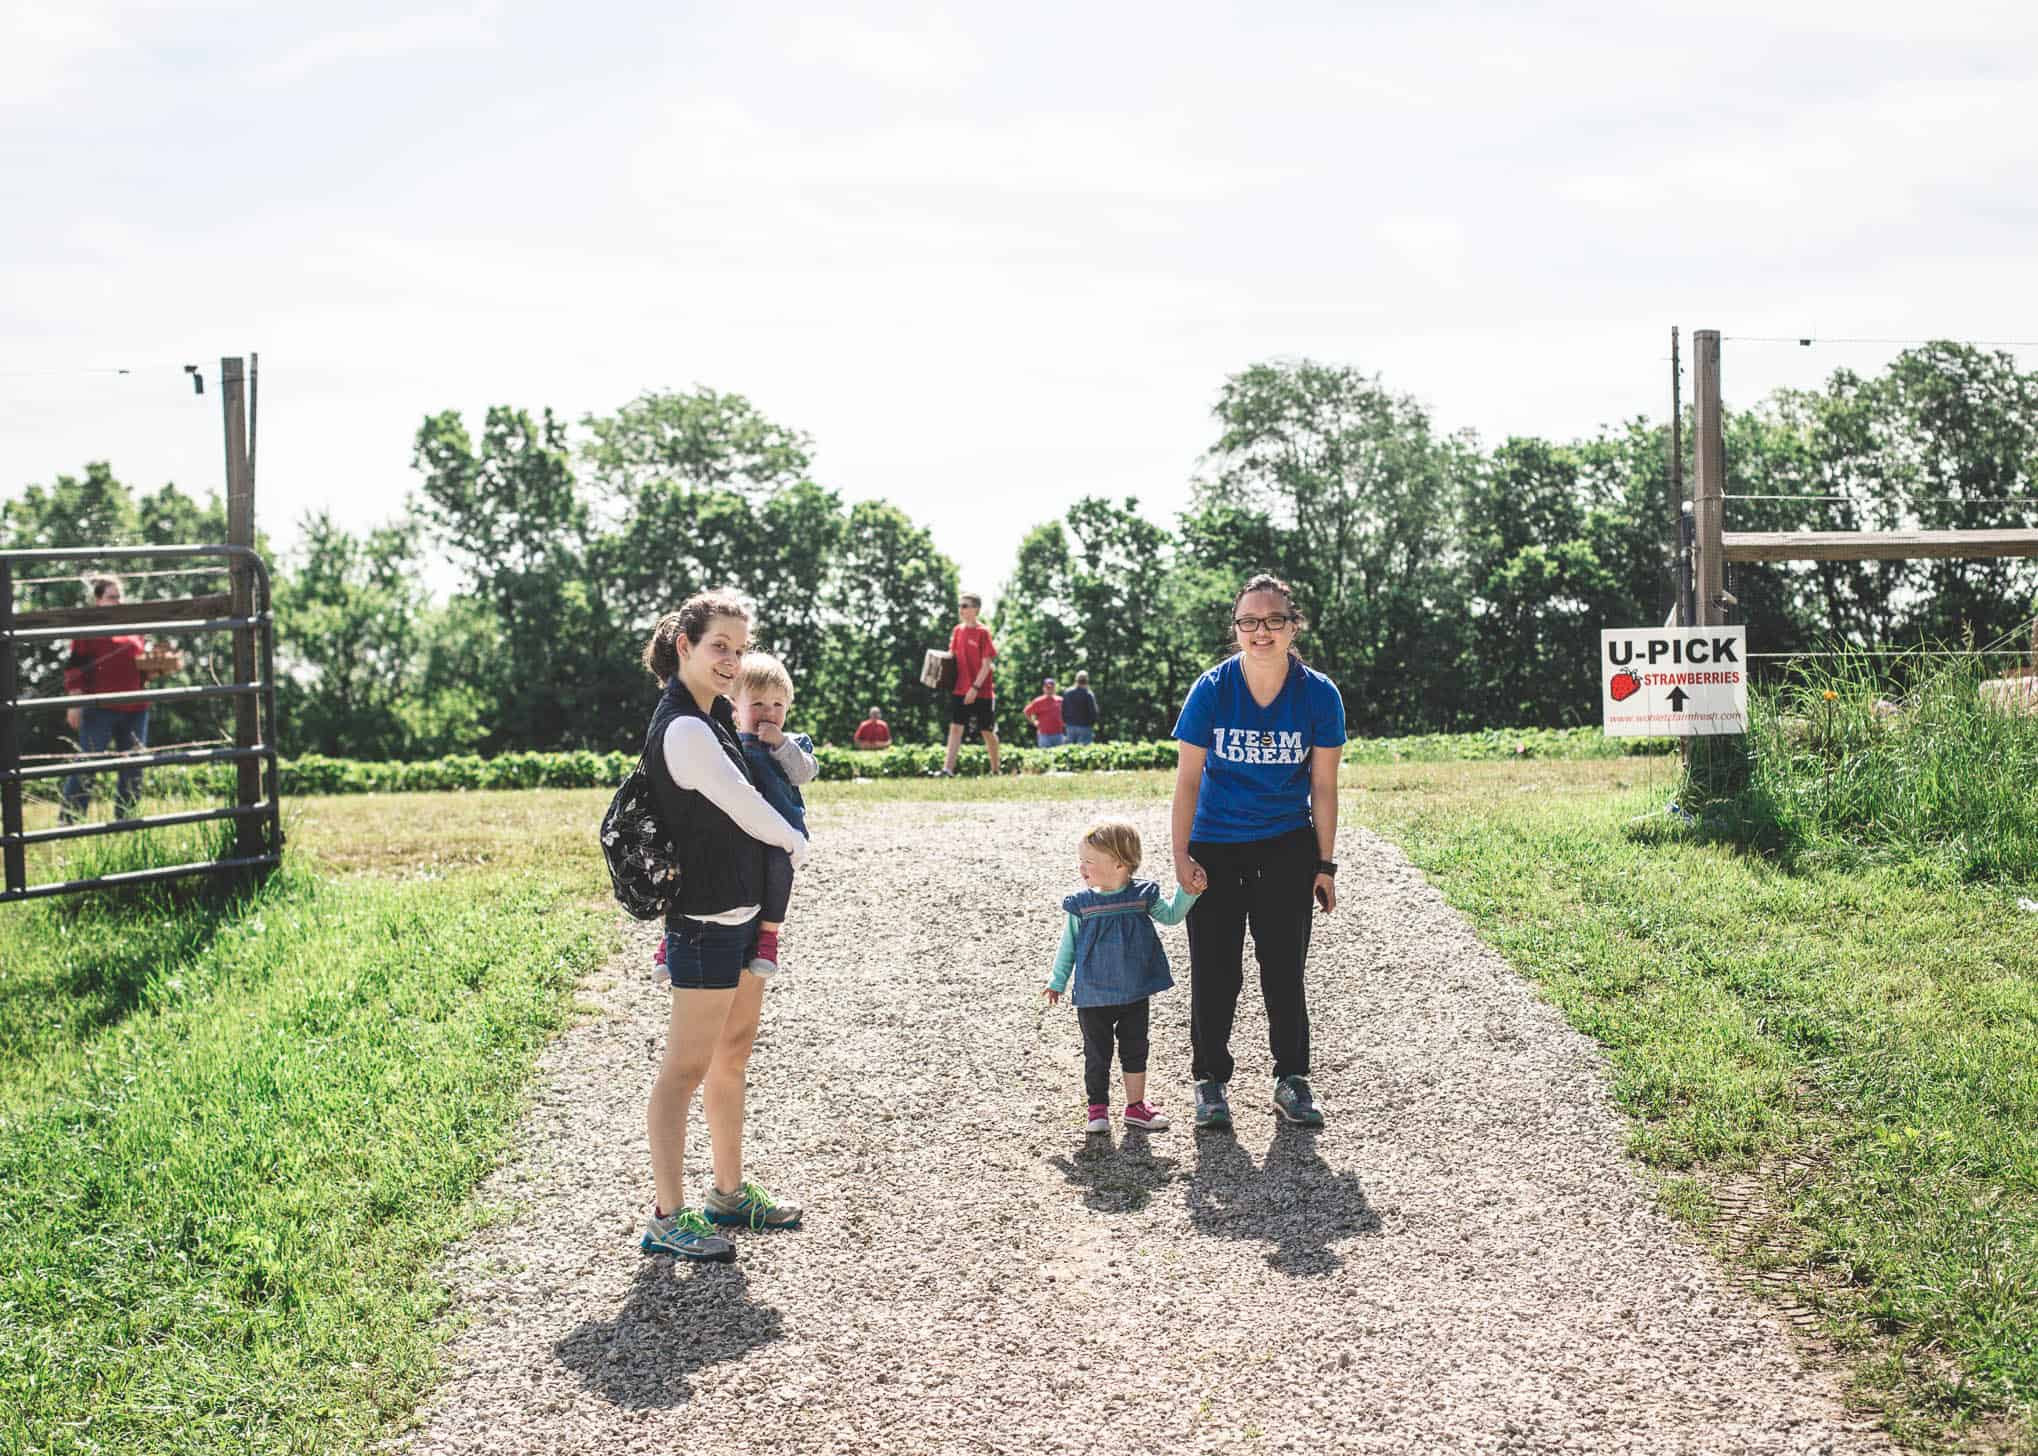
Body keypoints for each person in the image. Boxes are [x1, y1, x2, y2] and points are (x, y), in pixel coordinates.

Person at [638, 592, 810, 1264]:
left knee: (731, 1055)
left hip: (739, 916)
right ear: (685, 646)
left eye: (739, 649)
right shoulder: (682, 726)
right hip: (705, 923)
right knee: (682, 1069)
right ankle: (665, 1215)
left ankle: (729, 1195)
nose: (731, 661)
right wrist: (793, 842)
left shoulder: (710, 716)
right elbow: (746, 808)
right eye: (719, 647)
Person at [1170, 573, 1345, 1132]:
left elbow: (1323, 786)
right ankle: (1210, 1081)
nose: (1260, 630)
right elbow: (1187, 782)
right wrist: (1179, 856)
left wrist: (1323, 865)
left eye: (1273, 620)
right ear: (1236, 628)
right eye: (1249, 621)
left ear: (1293, 627)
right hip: (1215, 844)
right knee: (1216, 970)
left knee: (1283, 968)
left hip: (1286, 844)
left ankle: (1291, 1079)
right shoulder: (1212, 689)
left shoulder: (1319, 694)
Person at [1044, 818, 1199, 1133]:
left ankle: (1136, 1106)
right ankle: (1097, 1109)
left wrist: (1189, 892)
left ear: (1120, 864)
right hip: (1093, 995)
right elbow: (1068, 946)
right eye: (1081, 861)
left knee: (1136, 1048)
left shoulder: (1142, 894)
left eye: (1089, 861)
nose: (1082, 868)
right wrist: (1057, 981)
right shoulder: (1083, 905)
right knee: (1097, 1052)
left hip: (1134, 991)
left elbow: (1171, 915)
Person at [59, 575, 177, 823]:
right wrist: (75, 702)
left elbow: (140, 670)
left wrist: (157, 665)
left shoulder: (133, 627)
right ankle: (68, 820)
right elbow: (75, 668)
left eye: (120, 597)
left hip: (136, 707)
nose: (118, 601)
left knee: (133, 767)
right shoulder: (88, 628)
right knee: (88, 764)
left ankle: (128, 820)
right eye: (112, 597)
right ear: (98, 600)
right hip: (100, 707)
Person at [728, 652, 816, 976]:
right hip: (743, 830)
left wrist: (781, 745)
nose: (769, 713)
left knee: (779, 872)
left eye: (778, 705)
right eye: (758, 704)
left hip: (782, 831)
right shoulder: (729, 742)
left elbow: (804, 773)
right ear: (735, 707)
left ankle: (769, 934)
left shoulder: (793, 743)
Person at [942, 591, 1000, 776]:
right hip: (960, 688)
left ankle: (995, 769)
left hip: (981, 691)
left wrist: (975, 688)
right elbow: (951, 656)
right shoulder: (957, 630)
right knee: (956, 727)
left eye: (965, 606)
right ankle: (947, 770)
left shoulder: (983, 632)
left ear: (976, 609)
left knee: (987, 732)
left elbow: (987, 664)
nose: (961, 609)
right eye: (960, 606)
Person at [1024, 677, 1067, 748]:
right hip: (1044, 735)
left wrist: (1065, 723)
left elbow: (1067, 713)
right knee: (1045, 756)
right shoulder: (1038, 701)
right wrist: (1034, 722)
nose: (1049, 690)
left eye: (1051, 688)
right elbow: (1027, 711)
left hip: (1058, 734)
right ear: (1044, 688)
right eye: (1048, 688)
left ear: (1054, 688)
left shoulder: (1060, 700)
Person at [1060, 670, 1098, 745]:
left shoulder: (1067, 692)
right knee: (1083, 751)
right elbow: (1093, 711)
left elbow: (1063, 709)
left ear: (1076, 680)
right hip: (1085, 726)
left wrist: (1065, 722)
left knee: (1069, 749)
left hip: (1070, 725)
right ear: (1087, 681)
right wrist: (1092, 723)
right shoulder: (1088, 694)